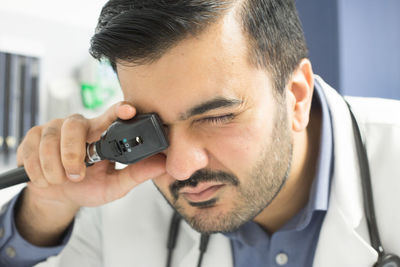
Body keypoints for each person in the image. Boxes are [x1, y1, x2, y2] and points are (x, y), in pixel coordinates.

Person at [0, 0, 399, 266]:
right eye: (151, 125)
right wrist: (47, 207)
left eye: (217, 116)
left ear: (295, 97)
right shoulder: (117, 199)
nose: (179, 166)